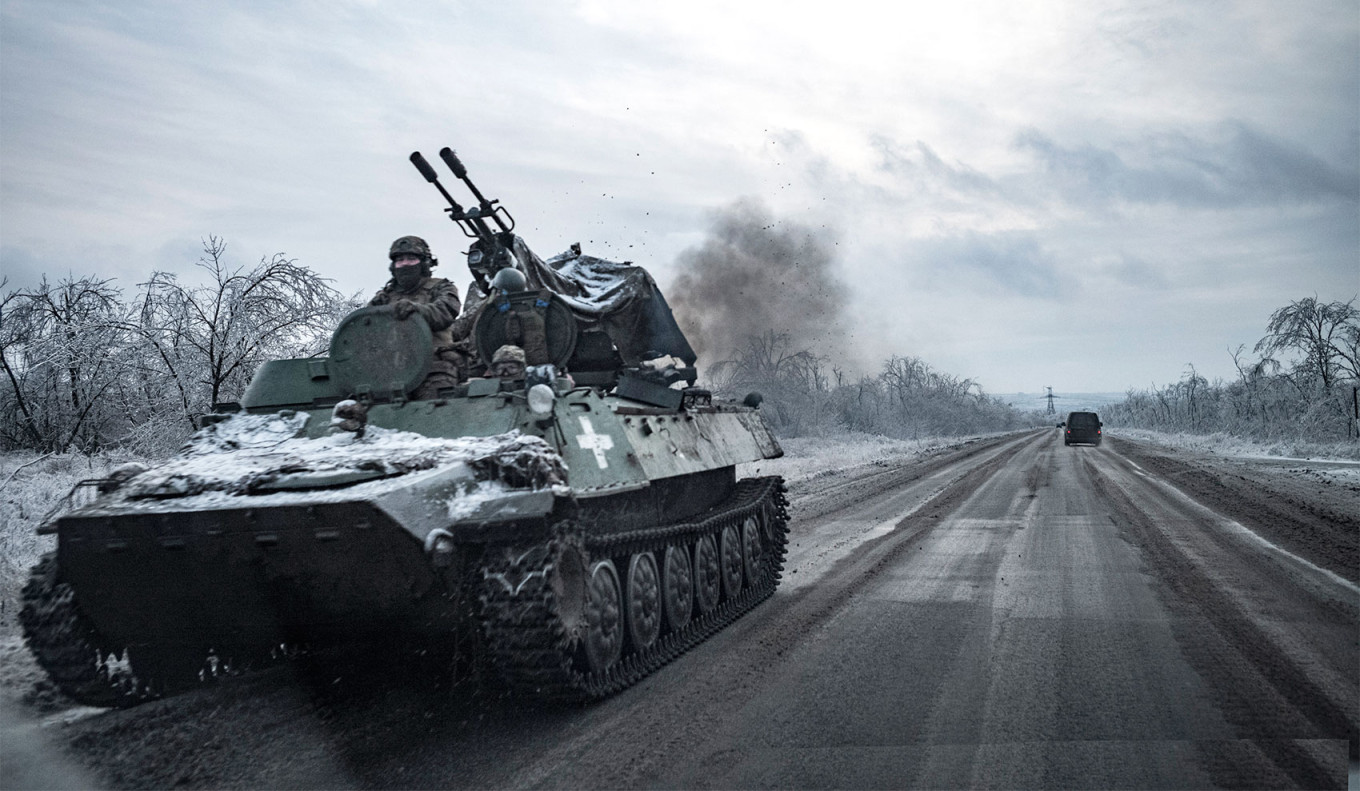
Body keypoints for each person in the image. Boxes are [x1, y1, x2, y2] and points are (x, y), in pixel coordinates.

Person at [369, 235, 465, 398]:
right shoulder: (384, 296)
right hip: (392, 370)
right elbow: (365, 331)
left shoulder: (442, 287)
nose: (405, 264)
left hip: (434, 367)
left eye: (411, 259)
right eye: (400, 260)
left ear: (425, 263)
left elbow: (445, 312)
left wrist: (417, 311)